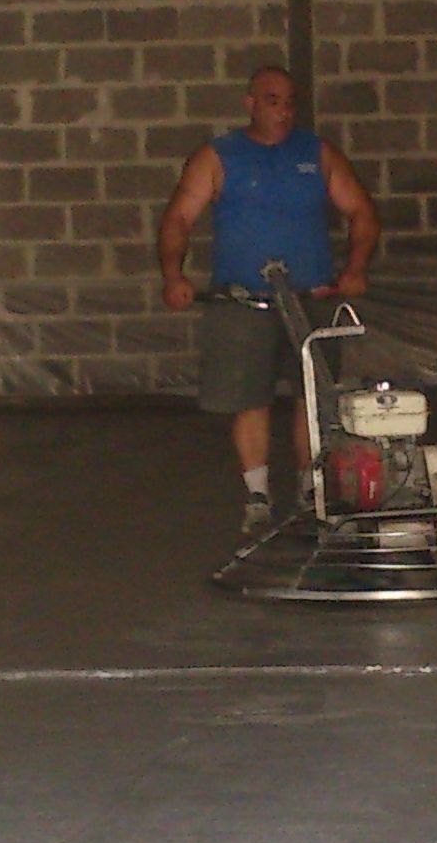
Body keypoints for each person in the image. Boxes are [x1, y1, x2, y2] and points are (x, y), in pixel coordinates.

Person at [158, 65, 381, 533]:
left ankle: (310, 489)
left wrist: (355, 268)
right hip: (244, 302)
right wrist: (173, 275)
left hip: (310, 298)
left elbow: (361, 210)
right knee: (250, 398)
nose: (282, 111)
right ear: (251, 104)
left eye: (289, 102)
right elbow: (178, 218)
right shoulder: (219, 157)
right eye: (272, 100)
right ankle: (258, 495)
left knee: (313, 399)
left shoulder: (316, 153)